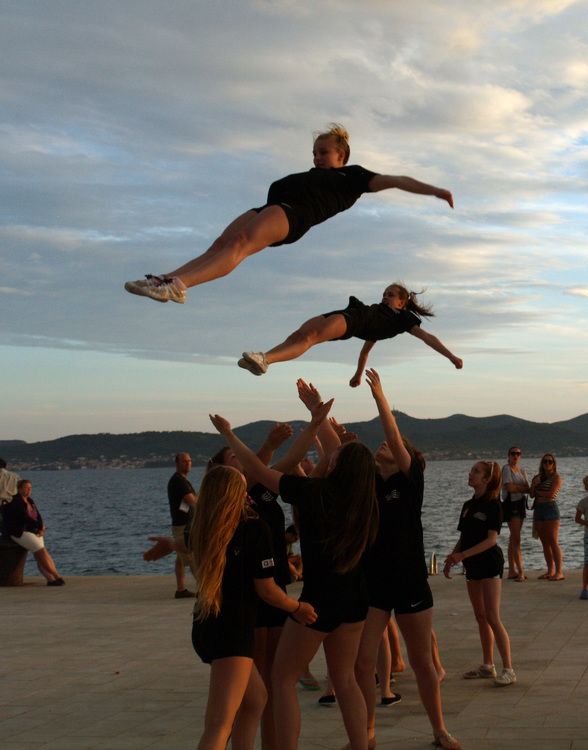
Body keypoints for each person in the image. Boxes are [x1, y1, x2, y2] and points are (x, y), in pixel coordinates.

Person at [210, 397, 379, 750]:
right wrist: (318, 417)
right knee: (345, 679)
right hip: (355, 599)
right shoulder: (365, 499)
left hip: (318, 602)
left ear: (337, 466)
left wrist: (228, 433)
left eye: (333, 457)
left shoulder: (312, 491)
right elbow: (344, 454)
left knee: (282, 679)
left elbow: (256, 471)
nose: (329, 456)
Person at [124, 123, 454, 303]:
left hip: (294, 215)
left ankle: (179, 285)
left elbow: (397, 180)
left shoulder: (352, 177)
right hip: (269, 208)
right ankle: (168, 279)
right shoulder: (314, 174)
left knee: (239, 244)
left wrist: (434, 190)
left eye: (324, 152)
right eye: (314, 153)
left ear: (342, 154)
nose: (317, 157)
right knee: (217, 247)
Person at [353, 369, 460, 750]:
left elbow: (395, 436)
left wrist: (381, 398)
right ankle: (365, 735)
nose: (383, 446)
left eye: (390, 446)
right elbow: (342, 453)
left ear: (406, 459)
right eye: (379, 445)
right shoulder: (372, 484)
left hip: (411, 581)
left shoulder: (411, 483)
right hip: (375, 584)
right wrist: (318, 419)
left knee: (422, 662)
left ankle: (439, 730)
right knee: (361, 664)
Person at [188, 465, 317, 750]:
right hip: (233, 633)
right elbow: (267, 590)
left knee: (255, 701)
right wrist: (296, 607)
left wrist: (168, 544)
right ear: (235, 495)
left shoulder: (201, 526)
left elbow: (184, 545)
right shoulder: (253, 529)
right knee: (219, 725)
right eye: (243, 489)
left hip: (207, 626)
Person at [237, 284, 463, 379]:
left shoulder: (402, 319)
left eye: (391, 294)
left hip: (352, 321)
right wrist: (357, 374)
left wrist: (451, 356)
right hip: (349, 313)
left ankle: (265, 359)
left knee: (311, 338)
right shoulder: (381, 319)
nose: (385, 296)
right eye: (384, 292)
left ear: (402, 303)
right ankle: (261, 360)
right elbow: (365, 353)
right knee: (297, 336)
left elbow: (427, 338)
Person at [445, 460, 517, 686]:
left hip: (489, 564)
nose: (470, 474)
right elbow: (463, 537)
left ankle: (508, 668)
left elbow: (491, 540)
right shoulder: (467, 505)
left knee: (492, 616)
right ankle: (488, 665)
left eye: (476, 471)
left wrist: (463, 556)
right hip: (472, 566)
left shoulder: (494, 505)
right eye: (471, 470)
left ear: (486, 479)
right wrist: (452, 558)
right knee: (480, 616)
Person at [0, 479, 65, 586]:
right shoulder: (16, 501)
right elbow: (24, 517)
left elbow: (38, 516)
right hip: (19, 532)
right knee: (41, 552)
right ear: (19, 489)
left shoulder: (30, 500)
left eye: (30, 488)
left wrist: (41, 527)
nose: (29, 490)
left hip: (33, 531)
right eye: (26, 488)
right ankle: (57, 576)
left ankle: (50, 579)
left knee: (40, 554)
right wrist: (38, 526)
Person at [529, 453, 564, 581]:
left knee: (553, 541)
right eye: (545, 461)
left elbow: (551, 494)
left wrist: (538, 491)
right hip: (538, 510)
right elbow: (531, 494)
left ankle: (559, 572)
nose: (547, 464)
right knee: (544, 543)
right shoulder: (537, 477)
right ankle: (550, 571)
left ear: (554, 464)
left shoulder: (556, 478)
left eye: (550, 461)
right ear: (542, 463)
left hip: (550, 509)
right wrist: (534, 485)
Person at [168, 452, 198, 599]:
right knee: (191, 556)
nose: (188, 464)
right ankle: (206, 589)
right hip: (182, 526)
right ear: (177, 463)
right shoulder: (178, 481)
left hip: (183, 524)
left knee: (180, 558)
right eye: (184, 461)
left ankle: (180, 590)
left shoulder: (182, 481)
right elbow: (192, 500)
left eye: (189, 461)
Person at [501, 446, 530, 581]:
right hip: (511, 504)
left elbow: (528, 489)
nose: (516, 456)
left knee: (513, 538)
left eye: (518, 453)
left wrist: (520, 489)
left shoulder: (522, 471)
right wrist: (521, 489)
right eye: (513, 453)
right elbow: (509, 487)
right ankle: (521, 571)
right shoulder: (507, 469)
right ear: (508, 455)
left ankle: (512, 570)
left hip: (520, 504)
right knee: (516, 539)